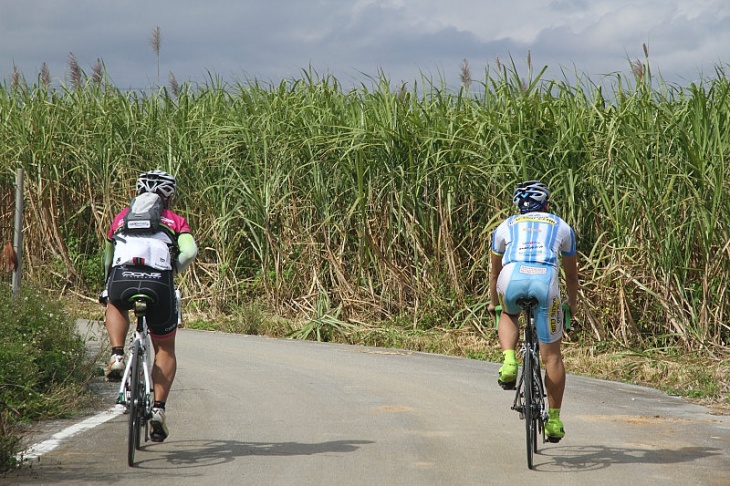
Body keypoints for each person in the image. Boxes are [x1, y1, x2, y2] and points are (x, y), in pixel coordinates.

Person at [99, 170, 198, 442]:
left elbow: (109, 258)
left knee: (115, 303)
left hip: (122, 278)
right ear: (169, 196)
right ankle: (158, 410)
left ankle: (117, 355)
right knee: (165, 348)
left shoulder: (121, 217)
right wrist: (174, 268)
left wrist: (108, 283)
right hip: (159, 284)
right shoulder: (175, 220)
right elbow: (190, 251)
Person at [487, 180, 579, 442]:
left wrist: (494, 303)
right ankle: (554, 421)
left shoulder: (505, 226)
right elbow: (572, 276)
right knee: (552, 358)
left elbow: (494, 272)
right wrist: (571, 304)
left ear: (519, 207)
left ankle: (509, 361)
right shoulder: (561, 226)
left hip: (511, 277)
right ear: (547, 205)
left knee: (508, 313)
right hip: (545, 281)